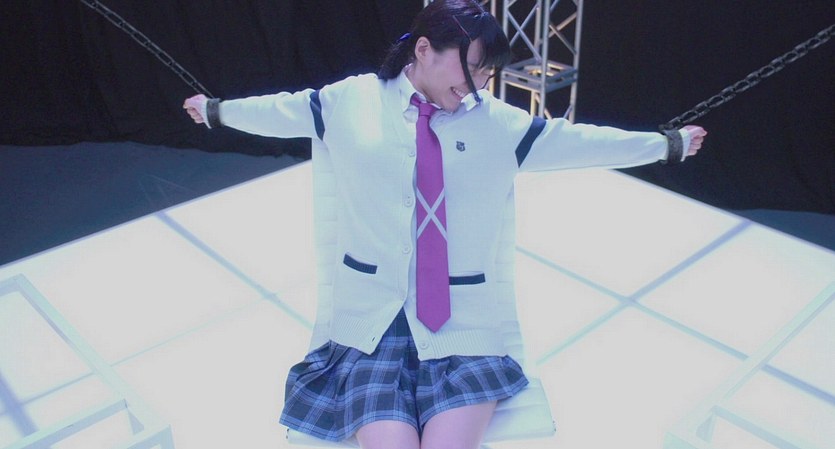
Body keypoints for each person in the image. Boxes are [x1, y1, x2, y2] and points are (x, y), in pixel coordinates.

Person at [184, 1, 707, 448]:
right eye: (473, 67)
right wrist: (216, 111)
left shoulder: (498, 124)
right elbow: (278, 112)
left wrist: (665, 146)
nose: (479, 84)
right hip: (372, 327)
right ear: (423, 50)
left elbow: (582, 142)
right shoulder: (351, 101)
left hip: (462, 332)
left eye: (487, 73)